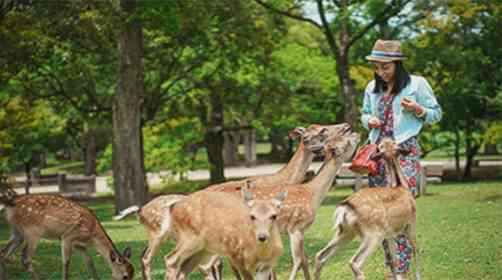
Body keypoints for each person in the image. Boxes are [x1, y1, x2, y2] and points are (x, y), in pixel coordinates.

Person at [361, 39, 442, 279]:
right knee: (381, 214)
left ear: (397, 64)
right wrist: (369, 121)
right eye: (376, 67)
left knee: (401, 211)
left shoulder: (417, 84)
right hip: (378, 157)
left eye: (385, 67)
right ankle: (393, 269)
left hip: (405, 153)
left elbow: (436, 114)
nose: (380, 72)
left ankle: (403, 271)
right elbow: (365, 114)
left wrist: (418, 110)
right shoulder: (371, 87)